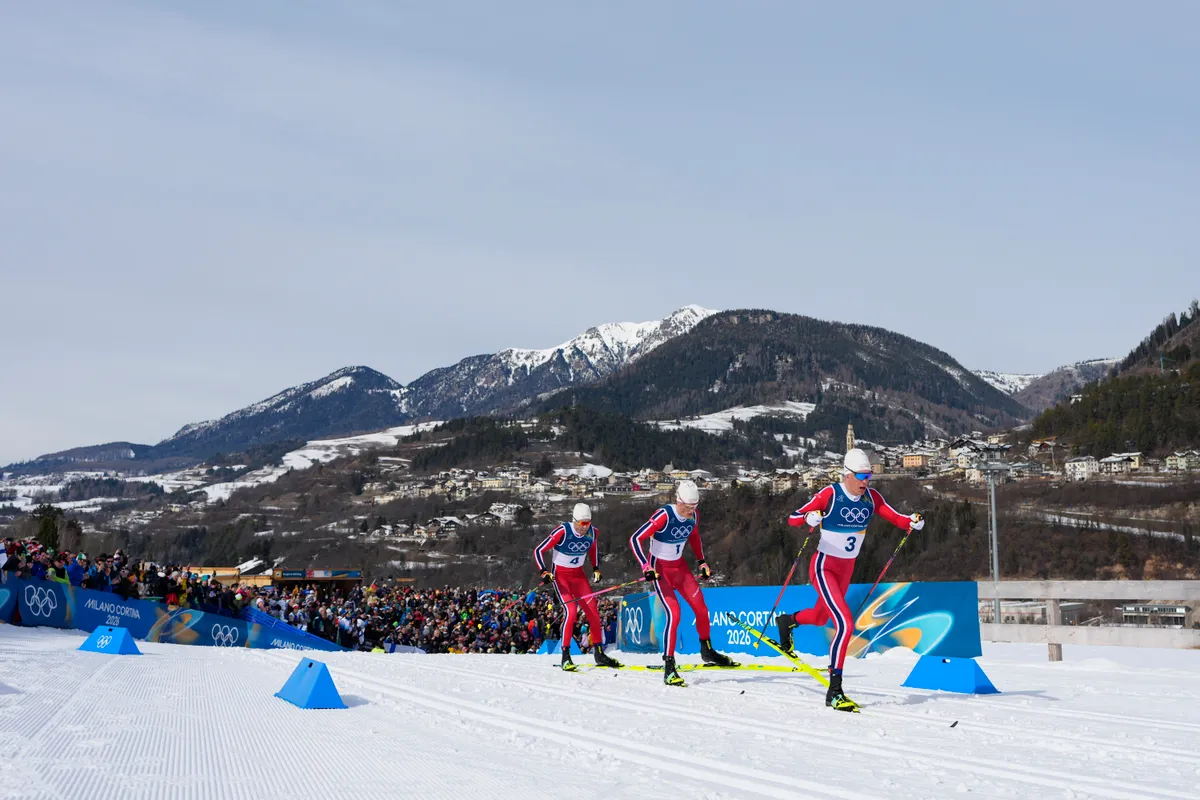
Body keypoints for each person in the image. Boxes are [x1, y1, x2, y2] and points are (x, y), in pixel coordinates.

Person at [775, 448, 924, 711]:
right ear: (847, 475)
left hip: (846, 571)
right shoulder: (830, 494)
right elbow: (792, 518)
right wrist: (808, 517)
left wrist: (912, 522)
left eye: (869, 475)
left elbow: (896, 518)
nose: (866, 481)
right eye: (861, 476)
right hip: (824, 568)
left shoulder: (872, 498)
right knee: (844, 622)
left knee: (821, 617)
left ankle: (787, 621)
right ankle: (835, 691)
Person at [629, 480, 733, 686]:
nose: (691, 511)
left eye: (695, 506)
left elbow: (694, 537)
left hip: (680, 568)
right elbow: (634, 539)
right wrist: (645, 566)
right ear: (679, 501)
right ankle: (669, 666)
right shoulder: (664, 516)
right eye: (688, 507)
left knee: (701, 609)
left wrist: (702, 562)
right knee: (674, 614)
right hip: (660, 570)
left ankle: (707, 650)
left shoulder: (693, 516)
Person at [534, 502, 622, 671]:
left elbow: (593, 550)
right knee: (571, 612)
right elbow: (538, 550)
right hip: (561, 577)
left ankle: (598, 653)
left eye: (588, 523)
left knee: (594, 614)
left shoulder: (592, 532)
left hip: (579, 576)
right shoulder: (563, 531)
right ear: (574, 521)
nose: (584, 528)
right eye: (581, 524)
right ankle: (565, 656)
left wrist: (596, 568)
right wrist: (544, 572)